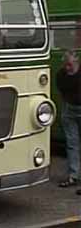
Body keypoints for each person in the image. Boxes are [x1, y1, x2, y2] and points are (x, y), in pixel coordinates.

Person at [57, 50, 81, 190]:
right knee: (72, 143)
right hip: (69, 109)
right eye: (65, 65)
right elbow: (62, 92)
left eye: (70, 64)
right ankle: (73, 176)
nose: (67, 68)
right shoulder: (61, 75)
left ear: (76, 61)